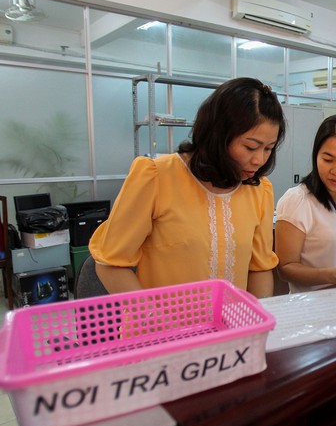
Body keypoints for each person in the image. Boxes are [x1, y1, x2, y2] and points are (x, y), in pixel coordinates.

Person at [89, 77, 285, 298]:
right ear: (218, 135)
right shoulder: (157, 176)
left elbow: (259, 268)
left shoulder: (258, 190)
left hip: (228, 328)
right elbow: (111, 264)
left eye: (269, 148)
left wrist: (257, 320)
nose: (259, 160)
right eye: (250, 147)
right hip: (161, 327)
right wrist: (153, 318)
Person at [275, 115, 336, 293]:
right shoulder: (298, 201)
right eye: (327, 160)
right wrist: (332, 276)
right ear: (316, 156)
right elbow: (285, 268)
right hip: (314, 310)